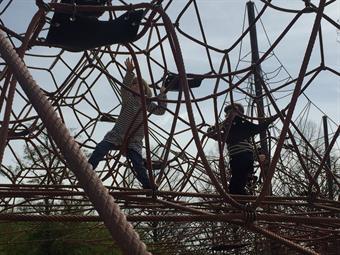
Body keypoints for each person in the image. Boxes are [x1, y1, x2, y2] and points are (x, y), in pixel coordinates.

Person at [89, 58, 167, 190]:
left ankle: (148, 185)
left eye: (138, 84)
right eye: (133, 84)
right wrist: (129, 72)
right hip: (117, 135)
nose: (135, 85)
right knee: (100, 148)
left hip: (134, 140)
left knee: (137, 164)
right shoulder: (128, 99)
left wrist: (162, 95)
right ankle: (88, 169)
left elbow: (161, 111)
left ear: (145, 89)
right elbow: (124, 89)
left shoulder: (147, 104)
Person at [207, 103, 277, 195]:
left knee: (236, 186)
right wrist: (221, 124)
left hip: (244, 158)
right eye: (228, 113)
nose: (230, 115)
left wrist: (257, 156)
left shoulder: (243, 128)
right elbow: (210, 132)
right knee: (236, 185)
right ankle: (244, 200)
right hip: (236, 159)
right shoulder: (226, 128)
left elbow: (251, 143)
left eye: (233, 112)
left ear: (240, 114)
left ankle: (244, 200)